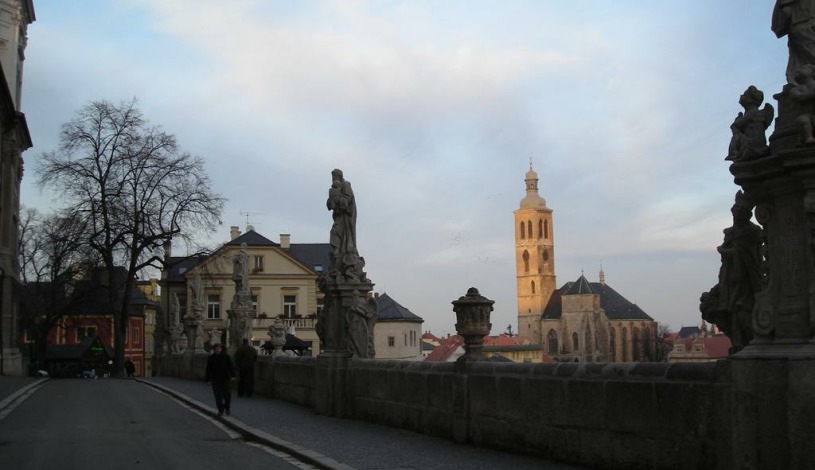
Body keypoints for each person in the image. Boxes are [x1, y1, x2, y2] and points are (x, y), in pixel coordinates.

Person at [205, 343, 235, 416]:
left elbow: (231, 366)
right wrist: (208, 379)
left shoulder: (226, 357)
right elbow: (208, 369)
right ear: (214, 350)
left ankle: (227, 407)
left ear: (221, 349)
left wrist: (233, 375)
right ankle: (220, 410)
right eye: (216, 349)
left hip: (225, 378)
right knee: (217, 396)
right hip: (215, 379)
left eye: (218, 349)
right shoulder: (211, 358)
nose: (217, 350)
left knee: (227, 395)